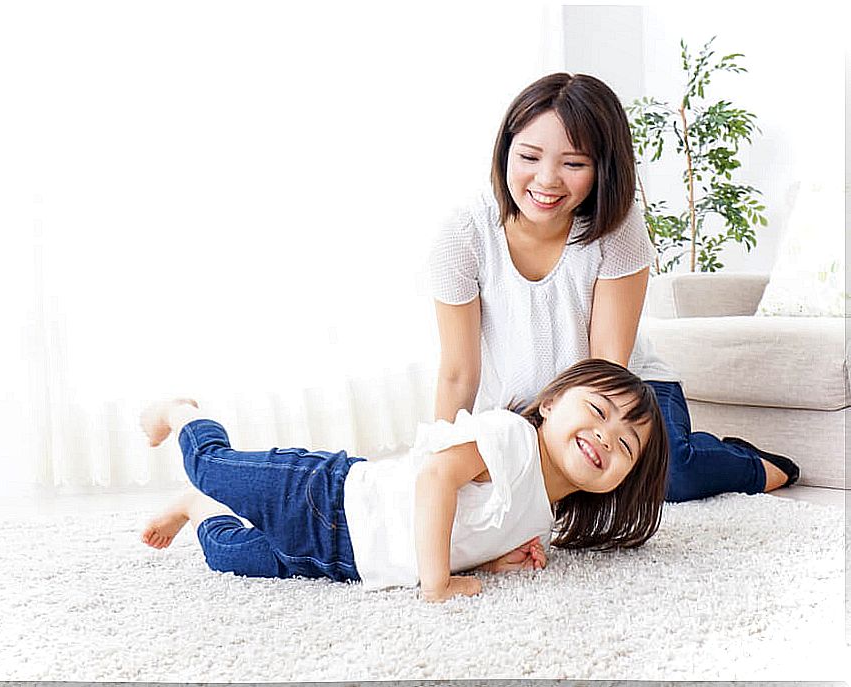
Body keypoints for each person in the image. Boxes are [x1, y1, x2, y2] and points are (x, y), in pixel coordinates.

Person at [429, 72, 799, 503]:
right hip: (527, 409)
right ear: (506, 150)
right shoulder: (464, 235)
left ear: (602, 167)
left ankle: (751, 465)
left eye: (574, 164)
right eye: (529, 156)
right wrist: (437, 461)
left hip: (622, 393)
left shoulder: (617, 229)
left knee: (669, 478)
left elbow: (608, 367)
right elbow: (458, 374)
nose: (547, 180)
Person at [141, 359, 669, 602]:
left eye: (625, 445)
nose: (604, 436)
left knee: (227, 556)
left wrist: (490, 560)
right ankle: (185, 414)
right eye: (598, 411)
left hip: (347, 564)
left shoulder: (542, 521)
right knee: (211, 465)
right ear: (551, 403)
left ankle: (197, 508)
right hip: (327, 497)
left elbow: (464, 532)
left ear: (621, 480)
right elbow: (438, 479)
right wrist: (437, 584)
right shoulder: (511, 437)